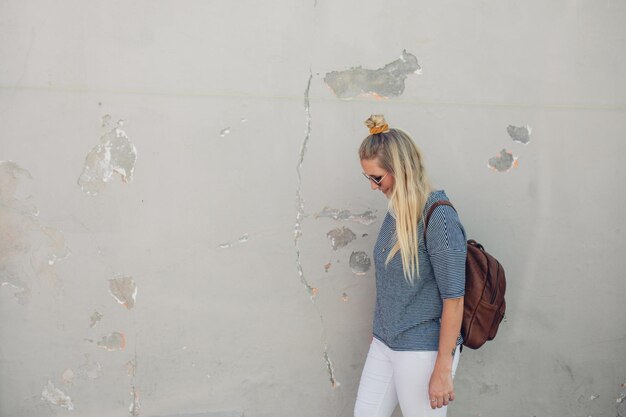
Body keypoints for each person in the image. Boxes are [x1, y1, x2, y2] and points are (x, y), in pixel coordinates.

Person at [354, 115, 466, 417]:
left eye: (377, 178)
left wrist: (443, 368)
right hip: (385, 343)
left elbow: (454, 299)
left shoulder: (438, 217)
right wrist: (380, 331)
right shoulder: (396, 212)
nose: (374, 187)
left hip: (422, 349)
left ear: (400, 170)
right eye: (369, 178)